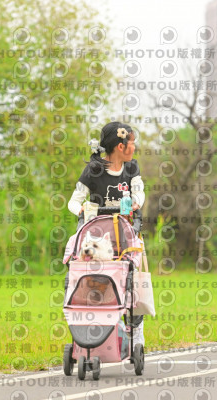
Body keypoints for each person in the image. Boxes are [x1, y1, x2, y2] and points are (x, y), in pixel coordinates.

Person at [67, 121, 146, 345]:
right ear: (121, 147)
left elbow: (139, 191)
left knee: (133, 282)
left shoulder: (131, 168)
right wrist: (81, 209)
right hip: (97, 238)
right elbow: (73, 202)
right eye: (132, 143)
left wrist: (136, 203)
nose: (134, 147)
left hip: (125, 237)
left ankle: (136, 330)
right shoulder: (94, 170)